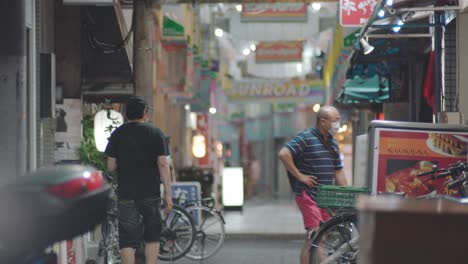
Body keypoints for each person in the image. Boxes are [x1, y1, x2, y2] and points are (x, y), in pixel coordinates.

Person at [105, 96, 173, 264]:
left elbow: (111, 166)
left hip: (126, 193)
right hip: (150, 192)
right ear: (145, 112)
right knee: (152, 235)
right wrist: (168, 195)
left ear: (127, 114)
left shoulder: (118, 133)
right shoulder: (156, 133)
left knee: (127, 238)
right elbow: (163, 164)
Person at [278, 105, 349, 264]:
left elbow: (338, 170)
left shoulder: (332, 143)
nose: (338, 123)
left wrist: (347, 192)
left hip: (324, 197)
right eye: (335, 120)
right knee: (316, 235)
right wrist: (300, 176)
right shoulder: (306, 137)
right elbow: (283, 153)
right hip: (307, 195)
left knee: (319, 238)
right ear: (323, 122)